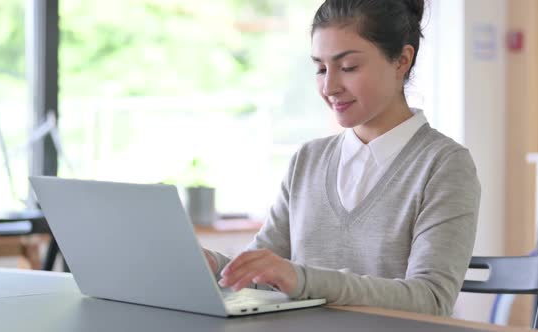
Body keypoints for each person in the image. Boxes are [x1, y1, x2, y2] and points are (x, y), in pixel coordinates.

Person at [204, 0, 480, 316]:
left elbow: (432, 299)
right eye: (321, 68)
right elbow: (260, 275)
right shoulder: (307, 159)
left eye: (348, 67)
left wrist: (301, 278)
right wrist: (212, 265)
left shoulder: (444, 165)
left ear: (402, 60)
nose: (330, 86)